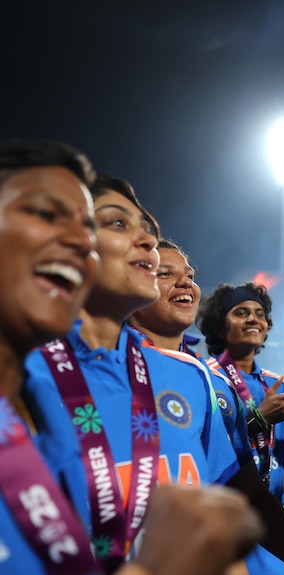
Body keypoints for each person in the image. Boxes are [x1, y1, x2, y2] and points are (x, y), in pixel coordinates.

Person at [23, 174, 284, 574]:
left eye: (147, 228)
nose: (148, 239)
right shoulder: (26, 378)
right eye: (118, 223)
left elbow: (242, 493)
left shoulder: (190, 376)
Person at [0, 139, 262, 575]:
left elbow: (221, 521)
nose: (80, 241)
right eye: (46, 214)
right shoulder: (39, 383)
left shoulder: (187, 377)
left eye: (86, 226)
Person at [130, 241, 284, 574]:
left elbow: (245, 477)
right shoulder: (207, 373)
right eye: (165, 273)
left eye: (190, 275)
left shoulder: (239, 380)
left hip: (283, 518)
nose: (185, 282)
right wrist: (257, 418)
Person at [197, 282, 284, 574]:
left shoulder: (275, 382)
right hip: (240, 518)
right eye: (241, 312)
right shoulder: (204, 377)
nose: (254, 319)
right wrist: (259, 420)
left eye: (260, 313)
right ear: (219, 326)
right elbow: (210, 451)